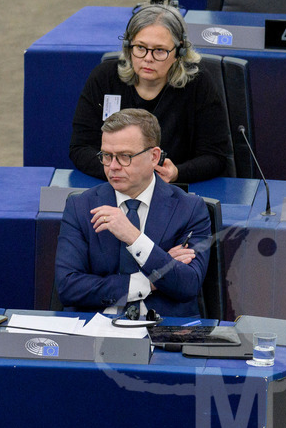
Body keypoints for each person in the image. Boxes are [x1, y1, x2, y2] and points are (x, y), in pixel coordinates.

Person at [56, 109, 211, 317]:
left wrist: (134, 238)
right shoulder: (80, 206)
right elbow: (68, 287)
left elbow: (188, 284)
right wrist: (149, 281)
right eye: (106, 156)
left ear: (154, 156)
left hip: (164, 331)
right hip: (96, 329)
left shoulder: (190, 208)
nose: (112, 167)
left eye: (124, 157)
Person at [69, 0, 232, 184]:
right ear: (128, 47)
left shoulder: (198, 84)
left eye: (159, 50)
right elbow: (80, 147)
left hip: (174, 192)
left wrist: (178, 172)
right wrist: (120, 172)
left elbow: (215, 157)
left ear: (179, 52)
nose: (148, 58)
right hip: (114, 187)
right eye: (140, 48)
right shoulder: (104, 78)